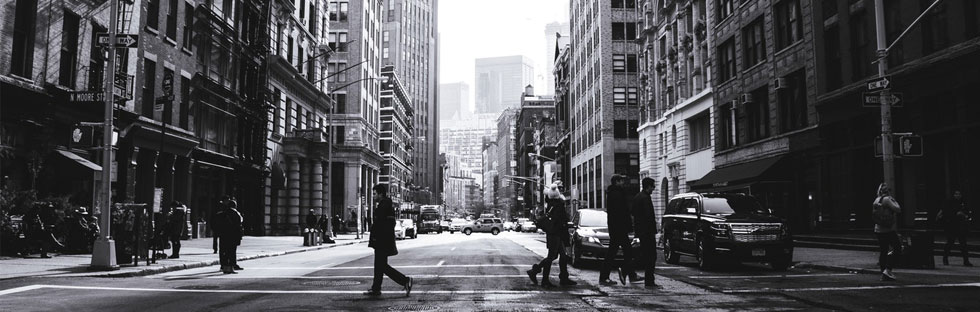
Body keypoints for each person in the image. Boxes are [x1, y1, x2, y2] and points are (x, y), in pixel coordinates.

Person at [364, 184, 412, 296]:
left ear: (381, 194)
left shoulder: (384, 205)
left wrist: (376, 236)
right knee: (379, 265)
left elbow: (381, 224)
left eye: (375, 194)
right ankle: (376, 289)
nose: (373, 196)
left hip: (382, 241)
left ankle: (405, 280)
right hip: (382, 240)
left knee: (381, 266)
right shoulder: (385, 204)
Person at [526, 182, 577, 287]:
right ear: (557, 192)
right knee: (552, 257)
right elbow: (560, 220)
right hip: (556, 233)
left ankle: (563, 278)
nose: (562, 190)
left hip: (555, 233)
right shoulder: (557, 204)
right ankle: (542, 278)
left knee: (562, 256)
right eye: (560, 188)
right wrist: (566, 225)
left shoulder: (552, 203)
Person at [600, 175, 640, 286]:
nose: (623, 182)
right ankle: (621, 273)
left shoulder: (615, 193)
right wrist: (626, 226)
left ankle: (630, 274)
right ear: (617, 181)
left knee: (622, 251)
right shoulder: (617, 194)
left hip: (617, 228)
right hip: (619, 229)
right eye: (621, 180)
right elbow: (620, 213)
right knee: (620, 252)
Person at [631, 178, 658, 288]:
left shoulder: (637, 197)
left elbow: (633, 213)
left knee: (643, 255)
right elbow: (649, 216)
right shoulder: (646, 198)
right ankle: (649, 282)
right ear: (648, 186)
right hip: (647, 232)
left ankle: (627, 269)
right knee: (651, 257)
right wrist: (653, 230)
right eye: (653, 186)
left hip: (641, 231)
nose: (654, 188)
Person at [873, 183, 901, 281]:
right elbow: (898, 209)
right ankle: (888, 270)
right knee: (897, 248)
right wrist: (893, 199)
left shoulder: (877, 200)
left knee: (883, 250)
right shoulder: (887, 199)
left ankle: (883, 272)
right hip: (888, 229)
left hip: (878, 229)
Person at [937, 190, 973, 266]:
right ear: (953, 195)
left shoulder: (963, 202)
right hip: (952, 225)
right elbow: (945, 211)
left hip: (960, 226)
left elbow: (967, 212)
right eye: (956, 194)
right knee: (950, 242)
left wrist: (963, 215)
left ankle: (966, 260)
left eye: (959, 194)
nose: (958, 195)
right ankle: (945, 258)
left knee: (963, 243)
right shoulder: (949, 202)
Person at [214, 198, 244, 274]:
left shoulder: (223, 213)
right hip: (233, 235)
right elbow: (238, 225)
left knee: (224, 251)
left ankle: (224, 267)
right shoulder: (236, 213)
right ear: (235, 206)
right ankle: (230, 268)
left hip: (223, 235)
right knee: (231, 251)